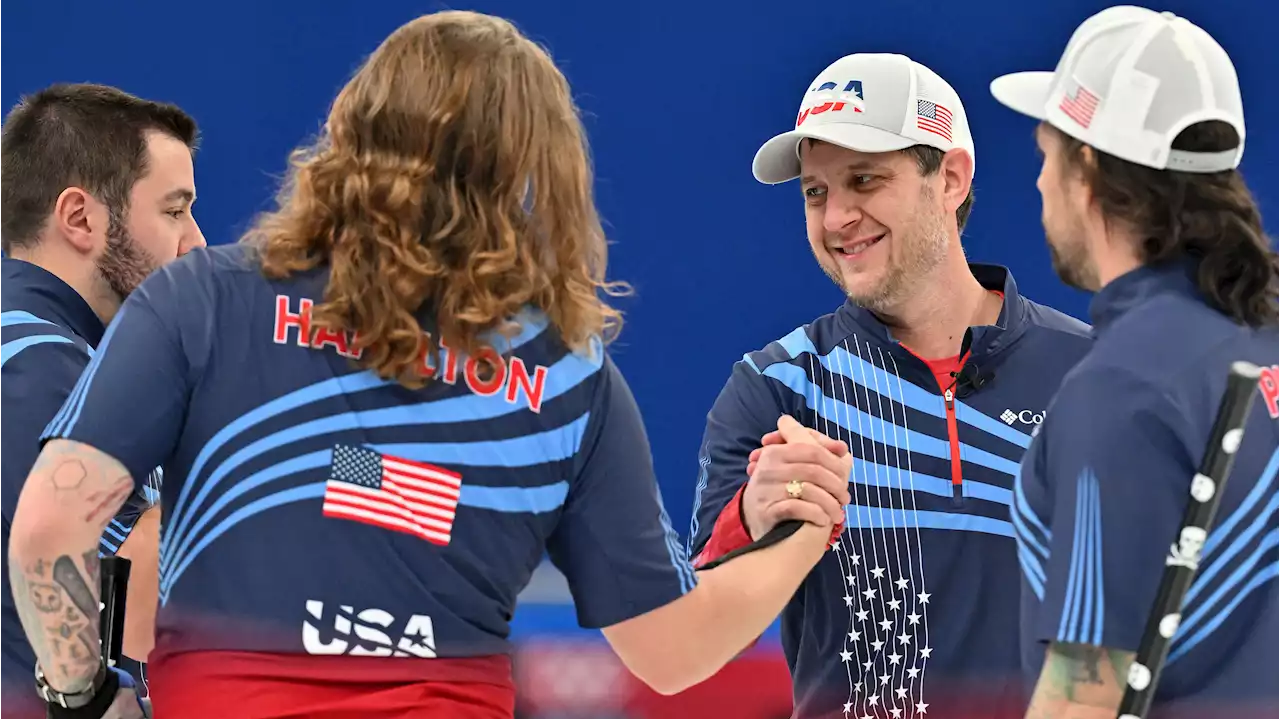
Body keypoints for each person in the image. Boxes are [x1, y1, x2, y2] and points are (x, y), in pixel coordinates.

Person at [6, 11, 852, 719]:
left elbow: (52, 537)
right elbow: (671, 648)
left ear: (353, 125)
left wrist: (84, 696)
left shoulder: (204, 300)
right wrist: (803, 532)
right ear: (532, 167)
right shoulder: (567, 378)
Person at [687, 53, 1095, 719]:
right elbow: (694, 646)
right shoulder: (778, 387)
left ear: (951, 179)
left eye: (865, 180)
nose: (837, 217)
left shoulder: (1089, 374)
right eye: (816, 192)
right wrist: (750, 520)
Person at [990, 6, 1280, 719]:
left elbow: (1083, 693)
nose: (1038, 185)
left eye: (1045, 156)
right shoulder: (1260, 333)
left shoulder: (1121, 388)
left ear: (1085, 165)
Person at [0, 83, 205, 717]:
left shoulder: (52, 356)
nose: (195, 242)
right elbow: (137, 607)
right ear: (81, 219)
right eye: (174, 211)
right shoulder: (40, 368)